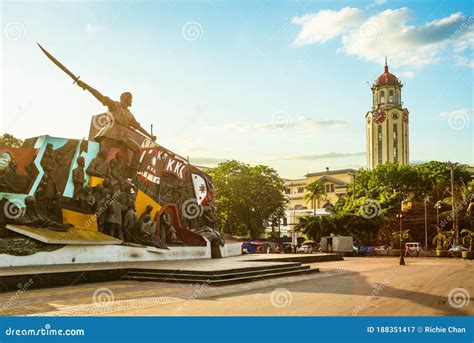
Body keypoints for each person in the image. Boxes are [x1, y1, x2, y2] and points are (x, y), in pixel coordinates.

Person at [76, 80, 156, 177]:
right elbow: (101, 97)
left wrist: (150, 136)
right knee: (102, 154)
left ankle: (132, 175)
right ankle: (93, 171)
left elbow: (138, 126)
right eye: (130, 99)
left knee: (137, 150)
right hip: (111, 133)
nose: (132, 101)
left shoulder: (129, 114)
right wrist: (86, 86)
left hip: (123, 136)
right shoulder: (115, 105)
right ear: (125, 98)